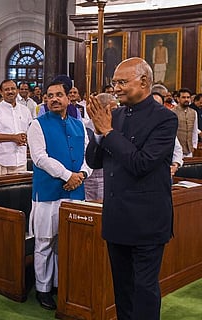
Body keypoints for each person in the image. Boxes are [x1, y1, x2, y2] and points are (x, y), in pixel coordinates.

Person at [86, 57, 178, 320]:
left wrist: (108, 132)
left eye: (123, 82)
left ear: (144, 82)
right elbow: (94, 161)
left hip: (147, 222)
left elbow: (141, 164)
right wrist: (98, 132)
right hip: (117, 218)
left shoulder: (164, 119)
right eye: (114, 82)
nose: (116, 88)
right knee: (122, 291)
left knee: (144, 292)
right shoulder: (114, 116)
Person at [27, 78, 92, 310]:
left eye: (58, 95)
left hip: (76, 192)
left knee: (67, 242)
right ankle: (43, 289)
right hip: (48, 192)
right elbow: (40, 157)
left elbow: (88, 155)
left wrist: (81, 175)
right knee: (45, 242)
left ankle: (59, 284)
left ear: (68, 98)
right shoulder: (37, 124)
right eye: (50, 95)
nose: (54, 99)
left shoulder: (80, 124)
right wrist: (68, 176)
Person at [0, 79, 33, 175]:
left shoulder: (25, 110)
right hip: (2, 160)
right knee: (1, 190)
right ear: (1, 92)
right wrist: (14, 138)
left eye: (13, 89)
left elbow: (30, 131)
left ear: (17, 91)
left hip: (21, 159)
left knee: (20, 189)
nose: (10, 92)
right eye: (7, 89)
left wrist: (25, 138)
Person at [172, 88, 198, 157]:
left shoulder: (193, 112)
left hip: (189, 150)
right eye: (183, 97)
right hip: (175, 151)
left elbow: (195, 131)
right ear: (178, 99)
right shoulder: (172, 112)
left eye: (188, 97)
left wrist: (194, 145)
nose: (186, 99)